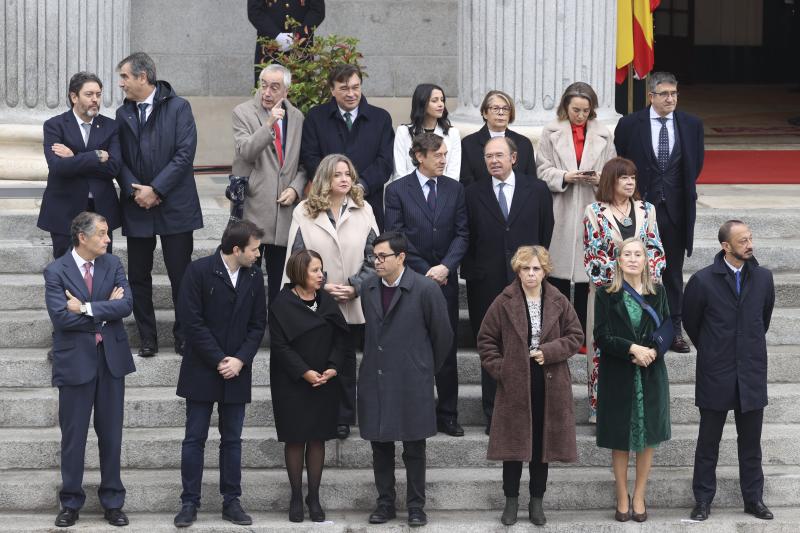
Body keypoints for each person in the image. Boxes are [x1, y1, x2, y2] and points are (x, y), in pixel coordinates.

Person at [478, 245, 583, 526]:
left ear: (545, 271)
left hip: (550, 382)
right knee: (513, 447)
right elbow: (486, 340)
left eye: (536, 269)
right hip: (515, 383)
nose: (531, 274)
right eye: (525, 268)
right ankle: (510, 501)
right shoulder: (504, 301)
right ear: (518, 270)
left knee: (542, 446)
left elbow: (575, 335)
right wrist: (502, 369)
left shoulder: (558, 299)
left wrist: (550, 351)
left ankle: (537, 501)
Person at [172, 221, 267, 528]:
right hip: (202, 367)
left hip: (237, 370)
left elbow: (257, 325)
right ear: (236, 249)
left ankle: (231, 501)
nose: (258, 255)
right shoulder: (199, 271)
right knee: (194, 438)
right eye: (254, 249)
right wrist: (219, 359)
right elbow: (191, 321)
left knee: (233, 440)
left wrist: (239, 360)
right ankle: (189, 502)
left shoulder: (254, 277)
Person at [44, 212, 135, 528]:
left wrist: (84, 307)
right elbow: (60, 318)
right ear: (82, 237)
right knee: (74, 437)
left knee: (112, 435)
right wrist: (105, 311)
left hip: (111, 361)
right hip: (75, 363)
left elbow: (126, 305)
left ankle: (113, 502)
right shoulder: (56, 271)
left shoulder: (113, 264)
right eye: (102, 233)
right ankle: (70, 502)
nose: (108, 239)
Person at [358, 231, 452, 527]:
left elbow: (443, 336)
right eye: (375, 256)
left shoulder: (425, 289)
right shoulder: (369, 287)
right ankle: (385, 503)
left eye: (383, 256)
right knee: (380, 445)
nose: (377, 262)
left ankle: (416, 506)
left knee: (414, 446)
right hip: (377, 375)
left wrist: (423, 366)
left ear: (401, 257)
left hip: (412, 378)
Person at [683, 221, 775, 522]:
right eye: (742, 240)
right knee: (708, 442)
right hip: (716, 372)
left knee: (751, 443)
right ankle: (703, 500)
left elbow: (764, 318)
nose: (749, 244)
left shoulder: (763, 279)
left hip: (750, 372)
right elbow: (692, 323)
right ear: (726, 246)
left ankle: (754, 499)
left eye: (750, 238)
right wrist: (713, 350)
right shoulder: (702, 281)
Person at [461, 136, 554, 434]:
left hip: (527, 282)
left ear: (514, 158)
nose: (493, 161)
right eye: (488, 157)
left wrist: (535, 270)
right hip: (485, 283)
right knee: (491, 347)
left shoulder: (536, 190)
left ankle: (526, 413)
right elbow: (468, 236)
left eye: (499, 155)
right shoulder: (472, 193)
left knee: (529, 344)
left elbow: (545, 230)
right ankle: (494, 414)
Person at [284, 154, 379, 439]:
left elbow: (374, 257)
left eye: (348, 174)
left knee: (346, 361)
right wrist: (322, 285)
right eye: (338, 174)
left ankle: (344, 417)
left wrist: (354, 286)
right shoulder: (304, 210)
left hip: (353, 300)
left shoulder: (364, 209)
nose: (344, 179)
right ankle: (321, 414)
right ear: (326, 178)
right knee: (319, 359)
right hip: (317, 299)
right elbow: (297, 255)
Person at [115, 51, 203, 358]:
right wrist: (135, 190)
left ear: (142, 76)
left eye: (125, 77)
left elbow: (184, 154)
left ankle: (184, 337)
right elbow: (119, 160)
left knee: (181, 274)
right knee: (138, 275)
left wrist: (157, 189)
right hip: (137, 204)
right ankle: (147, 337)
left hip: (175, 204)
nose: (121, 84)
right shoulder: (122, 113)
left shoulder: (179, 107)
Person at [384, 132, 469, 436]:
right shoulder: (396, 191)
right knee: (411, 347)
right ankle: (414, 410)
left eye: (445, 154)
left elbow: (462, 234)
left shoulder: (455, 189)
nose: (444, 160)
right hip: (412, 281)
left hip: (445, 281)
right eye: (438, 155)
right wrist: (425, 269)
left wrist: (446, 266)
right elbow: (396, 235)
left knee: (445, 347)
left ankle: (447, 413)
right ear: (420, 156)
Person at [614, 71, 704, 354]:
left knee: (673, 272)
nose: (670, 99)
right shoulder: (630, 124)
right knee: (635, 267)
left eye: (674, 93)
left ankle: (674, 329)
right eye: (664, 94)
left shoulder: (691, 124)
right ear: (651, 96)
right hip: (639, 209)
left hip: (676, 210)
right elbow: (621, 158)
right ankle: (637, 327)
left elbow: (695, 164)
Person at [269, 249, 354, 523]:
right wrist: (304, 372)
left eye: (321, 269)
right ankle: (296, 495)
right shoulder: (281, 304)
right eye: (315, 270)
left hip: (324, 380)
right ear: (299, 273)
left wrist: (332, 367)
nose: (321, 275)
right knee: (295, 438)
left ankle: (313, 496)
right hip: (292, 382)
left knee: (317, 438)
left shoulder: (326, 301)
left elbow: (342, 338)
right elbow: (280, 347)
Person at [594, 237, 671, 523]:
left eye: (638, 254)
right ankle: (622, 494)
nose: (633, 259)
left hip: (651, 373)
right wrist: (632, 349)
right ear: (618, 260)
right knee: (620, 438)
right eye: (627, 254)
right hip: (619, 373)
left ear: (646, 260)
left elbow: (666, 327)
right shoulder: (606, 293)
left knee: (648, 437)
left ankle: (639, 494)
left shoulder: (658, 291)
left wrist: (651, 351)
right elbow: (601, 336)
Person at [583, 157, 665, 423]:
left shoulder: (646, 209)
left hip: (643, 291)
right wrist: (624, 273)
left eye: (633, 178)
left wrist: (641, 274)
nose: (630, 183)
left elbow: (655, 249)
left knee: (642, 346)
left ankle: (641, 407)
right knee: (604, 348)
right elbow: (593, 256)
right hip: (609, 293)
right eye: (623, 178)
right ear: (611, 180)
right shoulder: (594, 212)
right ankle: (603, 410)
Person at [536, 82, 616, 349]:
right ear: (565, 107)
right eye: (575, 110)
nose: (580, 115)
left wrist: (597, 178)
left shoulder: (604, 134)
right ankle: (556, 332)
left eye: (585, 110)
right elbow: (541, 169)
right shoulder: (551, 131)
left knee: (586, 276)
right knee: (556, 274)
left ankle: (581, 334)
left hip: (591, 206)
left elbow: (611, 170)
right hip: (560, 204)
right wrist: (565, 176)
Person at [232, 63, 307, 304]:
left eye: (275, 87)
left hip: (285, 210)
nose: (267, 92)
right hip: (255, 205)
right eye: (263, 85)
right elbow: (246, 152)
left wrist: (295, 189)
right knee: (247, 280)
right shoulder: (243, 112)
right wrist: (268, 126)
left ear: (286, 91)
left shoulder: (297, 117)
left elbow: (303, 164)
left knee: (280, 281)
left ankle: (277, 336)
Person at [38, 72, 121, 259]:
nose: (95, 100)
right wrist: (95, 156)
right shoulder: (54, 126)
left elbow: (113, 167)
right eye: (89, 94)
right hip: (64, 209)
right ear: (74, 96)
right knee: (66, 268)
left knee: (101, 267)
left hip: (100, 208)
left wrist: (74, 156)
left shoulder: (111, 127)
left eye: (98, 94)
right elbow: (58, 167)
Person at [301, 64, 394, 229]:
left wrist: (361, 186)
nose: (351, 94)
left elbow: (384, 162)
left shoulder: (381, 118)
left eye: (355, 87)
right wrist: (334, 184)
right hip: (326, 204)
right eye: (344, 88)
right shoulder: (316, 117)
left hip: (367, 202)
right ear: (332, 90)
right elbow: (310, 157)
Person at [460, 90, 537, 186]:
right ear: (485, 113)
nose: (501, 113)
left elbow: (531, 181)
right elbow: (466, 182)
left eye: (505, 109)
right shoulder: (469, 143)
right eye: (495, 108)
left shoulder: (524, 143)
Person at [392, 83, 461, 181]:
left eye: (442, 100)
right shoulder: (403, 132)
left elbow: (454, 174)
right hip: (409, 192)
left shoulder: (453, 133)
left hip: (443, 192)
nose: (441, 104)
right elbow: (399, 173)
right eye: (434, 100)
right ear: (422, 103)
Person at [247, 0, 325, 85]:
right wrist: (276, 36)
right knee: (268, 92)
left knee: (300, 93)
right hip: (269, 46)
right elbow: (254, 11)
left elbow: (318, 10)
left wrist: (298, 35)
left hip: (300, 47)